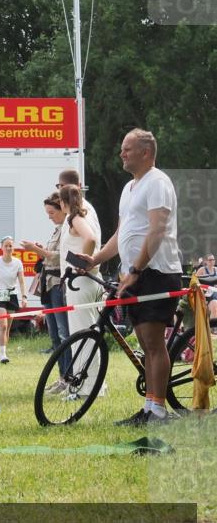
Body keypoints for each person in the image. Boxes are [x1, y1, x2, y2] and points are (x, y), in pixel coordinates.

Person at [78, 129, 182, 425]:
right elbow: (122, 234)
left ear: (146, 152)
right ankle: (149, 408)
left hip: (156, 272)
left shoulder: (158, 183)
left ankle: (158, 410)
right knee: (145, 342)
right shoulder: (129, 188)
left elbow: (157, 230)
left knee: (153, 343)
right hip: (135, 273)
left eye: (127, 149)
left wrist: (135, 269)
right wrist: (95, 259)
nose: (121, 153)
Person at [21, 192, 71, 391]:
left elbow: (61, 257)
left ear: (61, 209)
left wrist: (37, 250)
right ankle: (62, 377)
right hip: (48, 285)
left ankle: (69, 376)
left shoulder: (68, 228)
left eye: (51, 212)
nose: (49, 216)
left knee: (63, 332)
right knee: (54, 335)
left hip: (58, 284)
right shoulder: (57, 230)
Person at [59, 184, 102, 397]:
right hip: (89, 281)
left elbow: (91, 239)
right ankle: (94, 385)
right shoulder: (85, 214)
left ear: (62, 202)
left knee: (82, 336)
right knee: (89, 335)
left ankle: (86, 388)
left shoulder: (74, 218)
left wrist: (83, 263)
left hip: (81, 281)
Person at [0, 236, 27, 364]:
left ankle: (3, 351)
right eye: (6, 245)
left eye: (10, 246)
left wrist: (24, 297)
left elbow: (21, 281)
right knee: (2, 325)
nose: (8, 248)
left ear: (13, 248)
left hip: (12, 294)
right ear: (1, 247)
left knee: (7, 327)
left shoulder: (18, 262)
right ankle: (2, 355)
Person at [57, 169, 100, 240]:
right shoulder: (83, 207)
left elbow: (90, 239)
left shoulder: (77, 211)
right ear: (79, 185)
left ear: (61, 186)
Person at [194, 254, 217, 321]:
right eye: (210, 260)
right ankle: (213, 327)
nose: (212, 261)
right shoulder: (202, 270)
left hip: (215, 292)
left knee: (215, 308)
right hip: (205, 293)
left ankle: (213, 328)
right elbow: (195, 281)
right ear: (206, 261)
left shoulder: (216, 269)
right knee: (214, 307)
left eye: (213, 260)